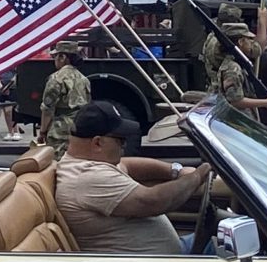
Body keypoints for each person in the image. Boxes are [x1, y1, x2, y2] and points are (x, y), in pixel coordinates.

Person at [55, 101, 212, 253]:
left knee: (222, 236)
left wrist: (175, 170)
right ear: (97, 143)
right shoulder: (88, 177)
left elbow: (126, 165)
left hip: (169, 258)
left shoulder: (87, 163)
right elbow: (153, 201)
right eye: (120, 140)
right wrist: (199, 174)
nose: (124, 145)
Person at [38, 42, 91, 150]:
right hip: (79, 127)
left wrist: (43, 132)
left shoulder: (56, 79)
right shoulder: (83, 79)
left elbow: (47, 109)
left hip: (60, 129)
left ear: (62, 57)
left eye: (56, 56)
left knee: (58, 161)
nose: (54, 60)